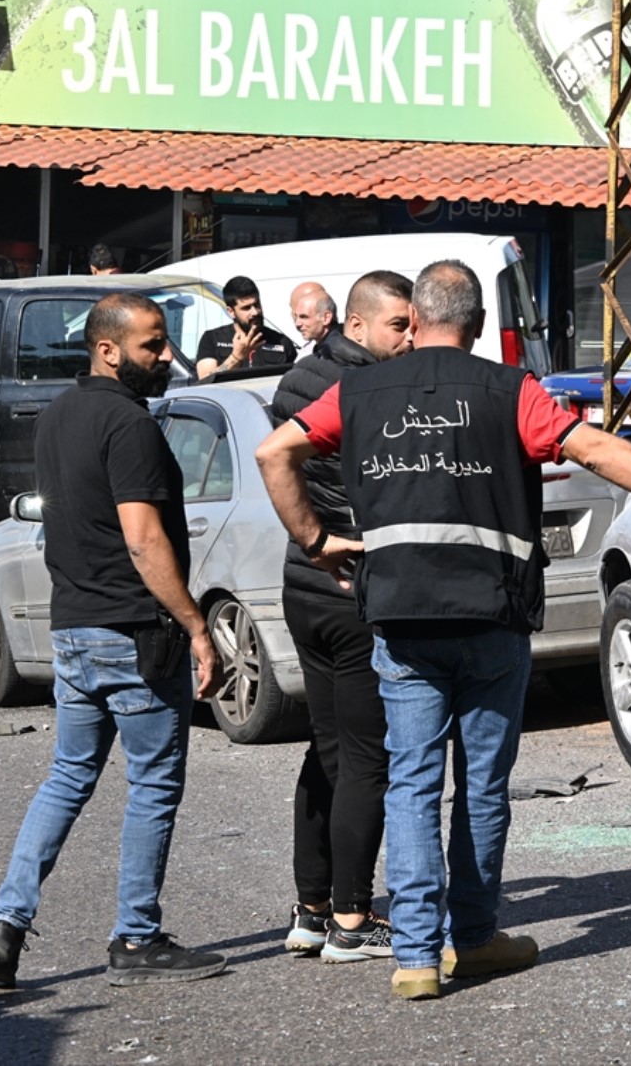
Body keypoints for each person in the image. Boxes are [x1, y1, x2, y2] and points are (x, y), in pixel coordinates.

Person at [255, 260, 631, 1001]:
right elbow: (595, 448)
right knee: (482, 786)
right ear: (481, 324)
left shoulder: (355, 391)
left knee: (413, 780)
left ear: (416, 320)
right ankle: (476, 935)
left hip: (398, 613)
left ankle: (417, 957)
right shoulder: (510, 390)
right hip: (491, 617)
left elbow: (276, 452)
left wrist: (313, 539)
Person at [0, 292, 226, 990]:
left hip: (75, 628)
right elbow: (143, 539)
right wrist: (196, 626)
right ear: (107, 348)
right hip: (135, 631)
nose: (166, 354)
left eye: (165, 341)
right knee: (152, 784)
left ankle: (8, 922)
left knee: (67, 778)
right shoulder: (129, 424)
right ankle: (137, 937)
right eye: (152, 344)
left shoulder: (58, 416)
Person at [270, 271, 414, 964]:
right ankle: (353, 919)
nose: (410, 337)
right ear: (355, 325)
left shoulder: (298, 381)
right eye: (399, 326)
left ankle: (312, 908)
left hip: (304, 583)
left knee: (326, 749)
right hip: (352, 583)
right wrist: (329, 541)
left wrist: (308, 540)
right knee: (363, 757)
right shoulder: (369, 392)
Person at [195, 275, 297, 380]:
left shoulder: (281, 342)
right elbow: (204, 380)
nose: (255, 312)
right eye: (246, 308)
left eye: (257, 305)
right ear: (231, 311)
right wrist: (236, 357)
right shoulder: (212, 339)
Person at [290, 281, 340, 357]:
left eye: (304, 317)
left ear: (326, 317)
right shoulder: (315, 348)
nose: (298, 324)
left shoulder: (338, 351)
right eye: (296, 315)